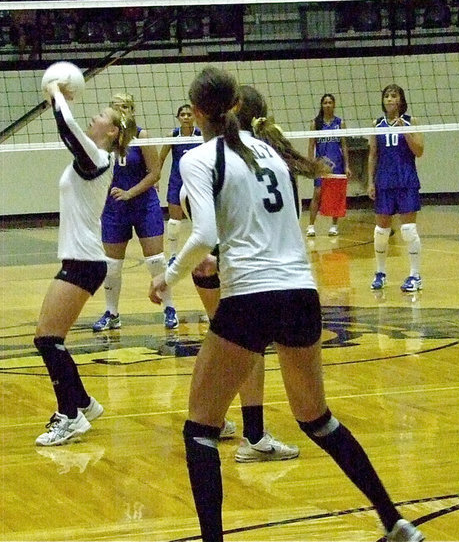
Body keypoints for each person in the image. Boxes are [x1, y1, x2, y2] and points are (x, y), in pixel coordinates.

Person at [150, 67, 424, 542]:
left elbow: (206, 234)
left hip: (252, 296)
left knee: (199, 429)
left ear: (196, 113)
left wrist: (168, 277)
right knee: (316, 418)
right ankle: (394, 521)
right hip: (300, 294)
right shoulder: (274, 156)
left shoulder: (198, 157)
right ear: (235, 106)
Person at [188, 84, 313, 462]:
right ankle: (252, 435)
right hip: (248, 271)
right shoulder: (269, 160)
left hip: (213, 264)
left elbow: (191, 206)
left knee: (226, 345)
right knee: (247, 348)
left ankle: (219, 417)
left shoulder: (216, 157)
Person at [34, 75, 136, 446]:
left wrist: (57, 94)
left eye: (101, 116)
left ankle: (70, 416)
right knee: (49, 338)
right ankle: (82, 403)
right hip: (82, 258)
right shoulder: (95, 156)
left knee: (48, 339)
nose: (94, 118)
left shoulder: (98, 157)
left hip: (85, 260)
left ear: (111, 133)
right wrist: (56, 98)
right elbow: (70, 129)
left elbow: (68, 128)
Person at [92, 93, 178, 331]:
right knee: (112, 265)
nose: (122, 111)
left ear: (132, 110)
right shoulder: (104, 140)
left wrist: (130, 192)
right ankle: (112, 313)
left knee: (156, 261)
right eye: (117, 107)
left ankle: (169, 307)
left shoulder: (141, 136)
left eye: (126, 107)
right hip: (114, 208)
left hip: (143, 205)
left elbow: (155, 172)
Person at [367, 84, 424, 292]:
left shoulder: (411, 122)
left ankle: (415, 276)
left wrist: (405, 132)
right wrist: (370, 182)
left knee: (408, 230)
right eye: (387, 96)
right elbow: (373, 154)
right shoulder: (377, 124)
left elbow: (419, 151)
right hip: (384, 181)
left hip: (406, 180)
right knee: (381, 231)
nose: (390, 99)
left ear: (401, 100)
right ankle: (380, 273)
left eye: (394, 96)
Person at [159, 104, 200, 264]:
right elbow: (161, 158)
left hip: (196, 182)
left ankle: (199, 253)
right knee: (174, 222)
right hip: (177, 180)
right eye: (182, 114)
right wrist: (156, 179)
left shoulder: (201, 135)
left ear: (195, 117)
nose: (186, 117)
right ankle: (174, 255)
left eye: (189, 114)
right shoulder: (173, 135)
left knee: (198, 220)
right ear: (178, 118)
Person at [306, 93, 351, 237]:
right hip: (321, 165)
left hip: (336, 164)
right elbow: (311, 145)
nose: (327, 105)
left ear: (334, 105)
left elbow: (344, 146)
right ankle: (311, 225)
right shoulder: (316, 123)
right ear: (322, 105)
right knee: (317, 194)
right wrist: (310, 164)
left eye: (330, 102)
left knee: (335, 195)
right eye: (325, 102)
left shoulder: (340, 123)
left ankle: (334, 225)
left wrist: (347, 165)